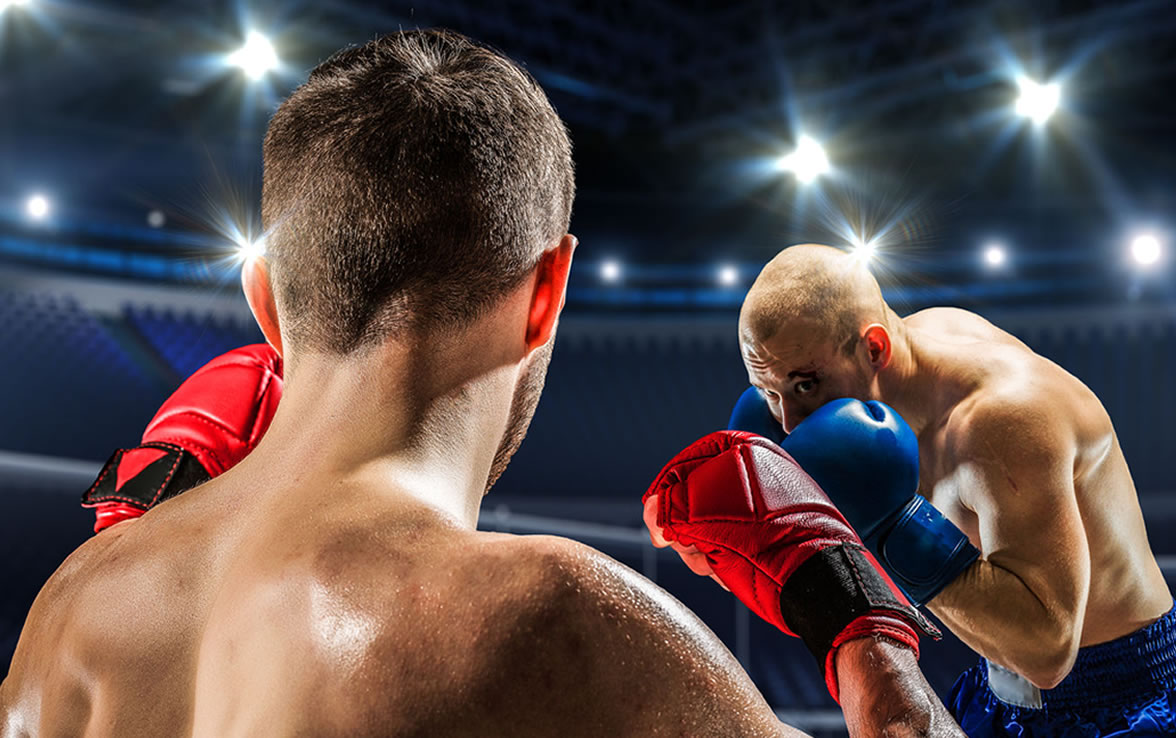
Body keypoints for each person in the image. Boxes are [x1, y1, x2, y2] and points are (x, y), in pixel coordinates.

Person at [0, 31, 963, 737]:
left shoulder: (68, 612)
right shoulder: (553, 620)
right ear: (546, 293)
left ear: (266, 303)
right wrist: (863, 633)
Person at [705, 243, 1175, 735]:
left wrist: (895, 524)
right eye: (768, 392)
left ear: (875, 349)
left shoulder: (1004, 420)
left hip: (1125, 703)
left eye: (805, 386)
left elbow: (1048, 653)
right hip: (996, 696)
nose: (788, 422)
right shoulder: (892, 378)